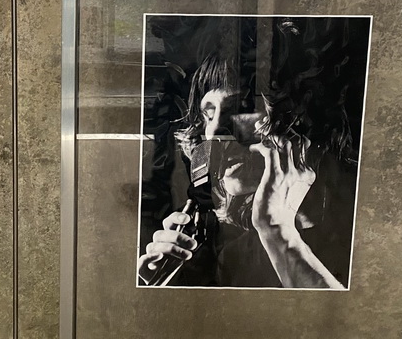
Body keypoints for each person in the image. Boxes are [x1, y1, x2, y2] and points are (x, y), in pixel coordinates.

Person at [138, 18, 361, 288]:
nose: (215, 132)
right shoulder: (233, 257)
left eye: (239, 108)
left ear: (299, 117)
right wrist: (160, 289)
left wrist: (278, 231)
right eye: (208, 116)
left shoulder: (368, 223)